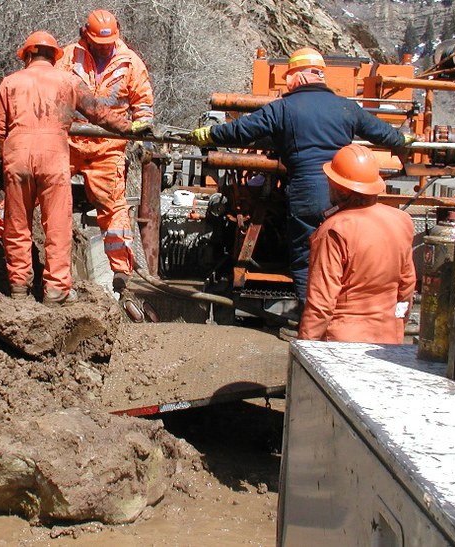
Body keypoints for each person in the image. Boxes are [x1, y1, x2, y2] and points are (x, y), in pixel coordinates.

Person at [189, 47, 413, 313]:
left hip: (307, 193)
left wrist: (210, 134)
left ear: (297, 77)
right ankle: (344, 313)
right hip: (342, 193)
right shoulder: (346, 107)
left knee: (306, 258)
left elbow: (242, 131)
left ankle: (312, 315)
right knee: (342, 253)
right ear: (320, 76)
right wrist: (405, 140)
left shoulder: (283, 108)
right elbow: (384, 134)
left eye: (290, 77)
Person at [0, 31, 150, 305]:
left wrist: (0, 162)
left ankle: (17, 287)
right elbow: (98, 112)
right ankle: (56, 290)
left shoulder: (9, 83)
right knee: (57, 226)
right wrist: (129, 127)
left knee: (17, 225)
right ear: (54, 56)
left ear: (27, 55)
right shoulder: (68, 81)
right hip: (54, 160)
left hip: (17, 158)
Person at [57, 9, 154, 294]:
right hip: (69, 142)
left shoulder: (131, 64)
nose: (103, 47)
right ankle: (4, 230)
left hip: (108, 147)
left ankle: (122, 274)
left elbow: (143, 104)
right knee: (43, 191)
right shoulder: (67, 57)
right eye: (98, 43)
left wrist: (143, 134)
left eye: (108, 42)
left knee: (113, 209)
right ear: (84, 35)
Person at [298, 144, 416, 343]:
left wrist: (305, 347)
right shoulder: (401, 220)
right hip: (388, 340)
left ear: (339, 187)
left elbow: (322, 303)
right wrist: (398, 323)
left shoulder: (334, 229)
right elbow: (407, 287)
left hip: (343, 344)